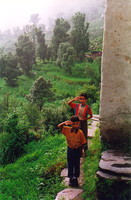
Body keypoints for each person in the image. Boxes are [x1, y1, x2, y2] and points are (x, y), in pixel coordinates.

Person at [57, 116, 87, 187]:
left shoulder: (80, 133)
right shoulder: (67, 130)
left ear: (79, 124)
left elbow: (83, 143)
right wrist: (65, 122)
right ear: (71, 124)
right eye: (73, 124)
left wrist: (82, 151)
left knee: (76, 164)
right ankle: (71, 178)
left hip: (77, 150)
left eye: (77, 124)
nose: (75, 125)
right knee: (70, 164)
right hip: (70, 150)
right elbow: (59, 126)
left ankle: (76, 178)